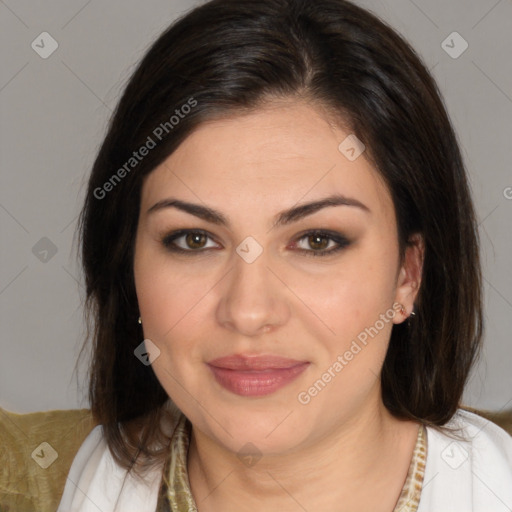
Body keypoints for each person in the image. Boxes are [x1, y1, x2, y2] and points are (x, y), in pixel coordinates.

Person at [57, 0, 512, 510]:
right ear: (127, 262)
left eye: (318, 240)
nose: (249, 311)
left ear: (408, 274)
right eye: (194, 239)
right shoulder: (44, 480)